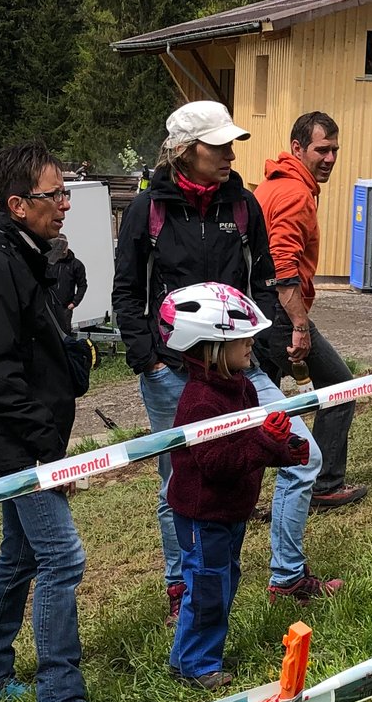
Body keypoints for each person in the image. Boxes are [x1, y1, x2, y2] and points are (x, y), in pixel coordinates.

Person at [114, 100, 340, 612]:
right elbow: (126, 291)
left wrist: (256, 341)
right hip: (171, 373)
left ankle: (286, 576)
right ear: (184, 151)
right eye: (217, 146)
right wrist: (148, 360)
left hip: (243, 370)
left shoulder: (243, 205)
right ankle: (182, 591)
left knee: (303, 456)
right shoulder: (147, 209)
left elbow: (264, 279)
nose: (230, 155)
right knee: (178, 483)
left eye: (231, 145)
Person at [0, 140, 129, 702]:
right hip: (20, 443)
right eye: (55, 194)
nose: (65, 205)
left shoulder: (24, 254)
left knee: (21, 555)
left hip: (32, 435)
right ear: (18, 203)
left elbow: (36, 344)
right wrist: (48, 449)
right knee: (62, 559)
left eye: (66, 192)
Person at [159, 284, 310, 689]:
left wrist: (283, 450)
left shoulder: (241, 386)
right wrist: (265, 442)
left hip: (230, 510)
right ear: (211, 346)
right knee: (207, 588)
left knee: (222, 583)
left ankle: (190, 656)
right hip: (203, 515)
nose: (251, 343)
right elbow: (218, 464)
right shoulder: (200, 402)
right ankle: (196, 666)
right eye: (242, 338)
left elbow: (248, 445)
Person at [254, 110, 366, 512]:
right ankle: (325, 484)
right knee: (340, 389)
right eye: (322, 149)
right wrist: (299, 325)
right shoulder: (295, 194)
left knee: (258, 411)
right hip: (280, 315)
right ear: (298, 148)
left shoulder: (271, 186)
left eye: (335, 150)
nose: (330, 158)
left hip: (257, 314)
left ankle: (241, 499)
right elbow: (283, 263)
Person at [46, 233, 87, 328]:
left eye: (65, 245)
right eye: (60, 245)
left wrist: (74, 303)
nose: (63, 248)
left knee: (64, 332)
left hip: (65, 308)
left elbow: (82, 285)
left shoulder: (76, 265)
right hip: (49, 307)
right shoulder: (49, 263)